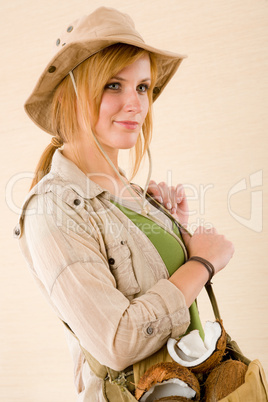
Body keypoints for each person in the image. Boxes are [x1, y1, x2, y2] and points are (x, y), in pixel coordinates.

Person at [15, 7, 234, 401]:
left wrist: (175, 234)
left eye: (143, 87)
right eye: (114, 85)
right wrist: (202, 263)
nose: (135, 104)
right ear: (73, 92)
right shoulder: (54, 208)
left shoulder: (133, 193)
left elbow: (160, 295)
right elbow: (117, 341)